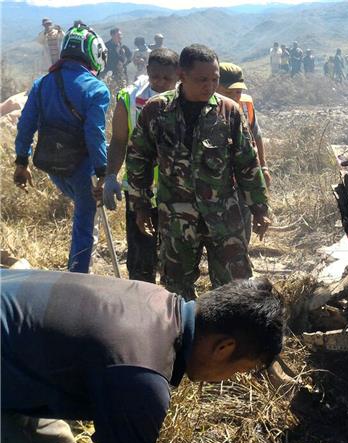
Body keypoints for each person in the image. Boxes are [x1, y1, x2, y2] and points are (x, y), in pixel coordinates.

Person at [1, 268, 284, 443]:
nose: (226, 379)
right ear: (224, 348)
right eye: (238, 370)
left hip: (13, 350)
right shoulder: (142, 375)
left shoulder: (157, 300)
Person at [126, 44, 270, 300]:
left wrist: (259, 208)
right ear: (182, 75)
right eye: (202, 80)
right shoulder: (156, 111)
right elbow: (139, 158)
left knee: (235, 290)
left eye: (214, 79)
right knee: (175, 291)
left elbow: (247, 163)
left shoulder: (229, 112)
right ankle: (185, 336)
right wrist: (141, 206)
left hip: (224, 218)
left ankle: (228, 337)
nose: (210, 86)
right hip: (177, 221)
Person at [13, 25, 110, 274]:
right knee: (84, 225)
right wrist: (103, 173)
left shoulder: (43, 83)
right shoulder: (96, 89)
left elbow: (25, 125)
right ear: (93, 53)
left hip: (52, 165)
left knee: (81, 211)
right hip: (82, 167)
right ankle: (77, 275)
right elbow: (94, 134)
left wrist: (21, 162)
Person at [98, 48, 180, 283]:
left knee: (174, 257)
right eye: (156, 77)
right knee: (141, 256)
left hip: (175, 190)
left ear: (178, 75)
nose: (161, 82)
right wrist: (110, 176)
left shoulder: (186, 99)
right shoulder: (130, 98)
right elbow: (119, 140)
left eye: (167, 78)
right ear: (147, 71)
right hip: (139, 189)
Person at [217, 62, 271, 244]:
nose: (235, 97)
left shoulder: (246, 104)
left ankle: (241, 255)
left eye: (238, 92)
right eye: (229, 92)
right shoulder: (206, 105)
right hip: (216, 177)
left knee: (243, 215)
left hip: (242, 174)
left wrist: (263, 167)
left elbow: (257, 135)